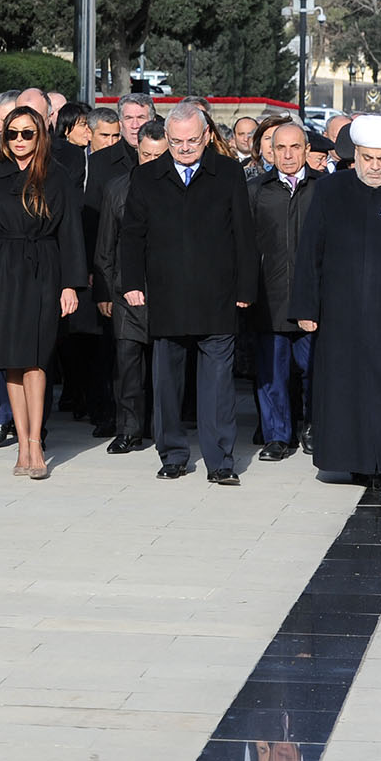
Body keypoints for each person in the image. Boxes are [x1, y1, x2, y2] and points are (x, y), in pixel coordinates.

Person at [117, 102, 259, 486]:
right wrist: (131, 283)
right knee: (167, 383)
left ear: (207, 136)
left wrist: (246, 286)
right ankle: (173, 455)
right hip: (166, 295)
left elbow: (244, 234)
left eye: (191, 141)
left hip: (217, 294)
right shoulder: (147, 177)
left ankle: (220, 461)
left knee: (217, 386)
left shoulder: (228, 172)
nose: (183, 148)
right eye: (176, 141)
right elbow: (131, 235)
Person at [0, 106, 86, 478]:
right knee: (12, 360)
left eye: (27, 133)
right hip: (2, 270)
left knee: (37, 358)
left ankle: (36, 442)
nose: (19, 140)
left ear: (40, 136)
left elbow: (71, 233)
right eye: (12, 134)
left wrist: (71, 284)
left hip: (43, 269)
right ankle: (21, 443)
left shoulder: (58, 176)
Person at [290, 114, 381, 502]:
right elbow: (310, 252)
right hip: (342, 312)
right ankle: (353, 461)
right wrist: (306, 305)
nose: (374, 166)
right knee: (346, 388)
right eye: (367, 158)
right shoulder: (332, 190)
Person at [247, 122, 322, 463]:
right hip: (270, 297)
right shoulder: (256, 190)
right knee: (272, 373)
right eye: (281, 148)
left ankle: (315, 428)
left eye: (295, 147)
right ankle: (278, 436)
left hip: (314, 299)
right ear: (270, 151)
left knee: (314, 371)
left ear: (307, 150)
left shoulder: (325, 189)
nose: (288, 155)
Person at [95, 120, 167, 453]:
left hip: (167, 291)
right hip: (126, 291)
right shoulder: (117, 188)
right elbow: (105, 245)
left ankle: (160, 425)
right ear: (136, 150)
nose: (151, 161)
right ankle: (128, 429)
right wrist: (106, 292)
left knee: (163, 364)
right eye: (146, 154)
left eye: (159, 155)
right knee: (127, 363)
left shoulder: (178, 189)